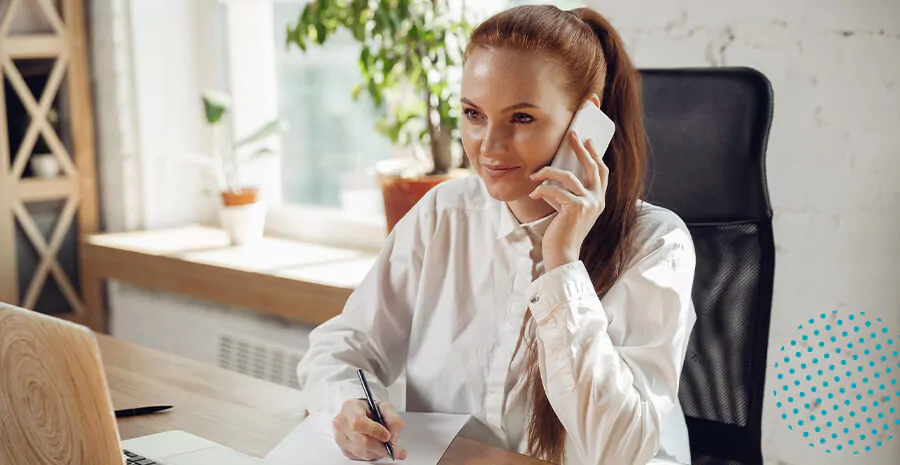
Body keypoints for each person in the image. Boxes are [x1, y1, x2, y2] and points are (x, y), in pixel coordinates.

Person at [296, 5, 697, 465]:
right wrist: (346, 406)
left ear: (586, 124)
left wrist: (562, 262)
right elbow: (341, 348)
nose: (488, 145)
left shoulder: (657, 244)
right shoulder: (444, 215)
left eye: (521, 118)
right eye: (473, 113)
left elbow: (617, 451)